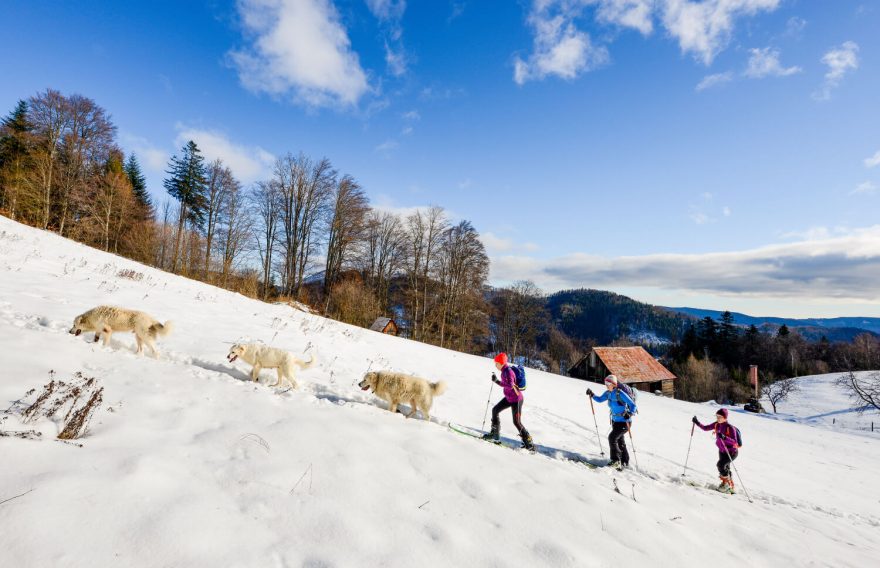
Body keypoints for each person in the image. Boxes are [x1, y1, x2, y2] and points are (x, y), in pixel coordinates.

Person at [482, 353, 534, 450]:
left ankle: (528, 442)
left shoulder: (508, 371)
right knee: (495, 410)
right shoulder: (503, 370)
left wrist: (497, 381)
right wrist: (497, 380)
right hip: (509, 398)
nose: (495, 365)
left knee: (516, 422)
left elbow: (510, 385)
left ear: (501, 363)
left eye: (496, 363)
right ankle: (495, 434)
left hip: (516, 400)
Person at [587, 374, 637, 470]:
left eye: (608, 383)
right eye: (605, 382)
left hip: (625, 422)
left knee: (612, 438)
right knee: (619, 441)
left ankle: (615, 461)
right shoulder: (608, 393)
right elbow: (600, 399)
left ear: (614, 384)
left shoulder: (620, 393)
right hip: (615, 422)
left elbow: (633, 404)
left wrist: (630, 413)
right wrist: (592, 394)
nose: (606, 385)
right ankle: (624, 461)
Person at [692, 408, 741, 494]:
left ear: (725, 418)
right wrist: (697, 422)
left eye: (720, 416)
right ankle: (729, 484)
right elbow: (705, 428)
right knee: (725, 468)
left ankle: (726, 485)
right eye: (717, 416)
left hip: (731, 452)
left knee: (720, 465)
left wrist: (724, 437)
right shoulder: (716, 425)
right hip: (722, 450)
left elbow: (735, 441)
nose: (718, 418)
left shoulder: (730, 428)